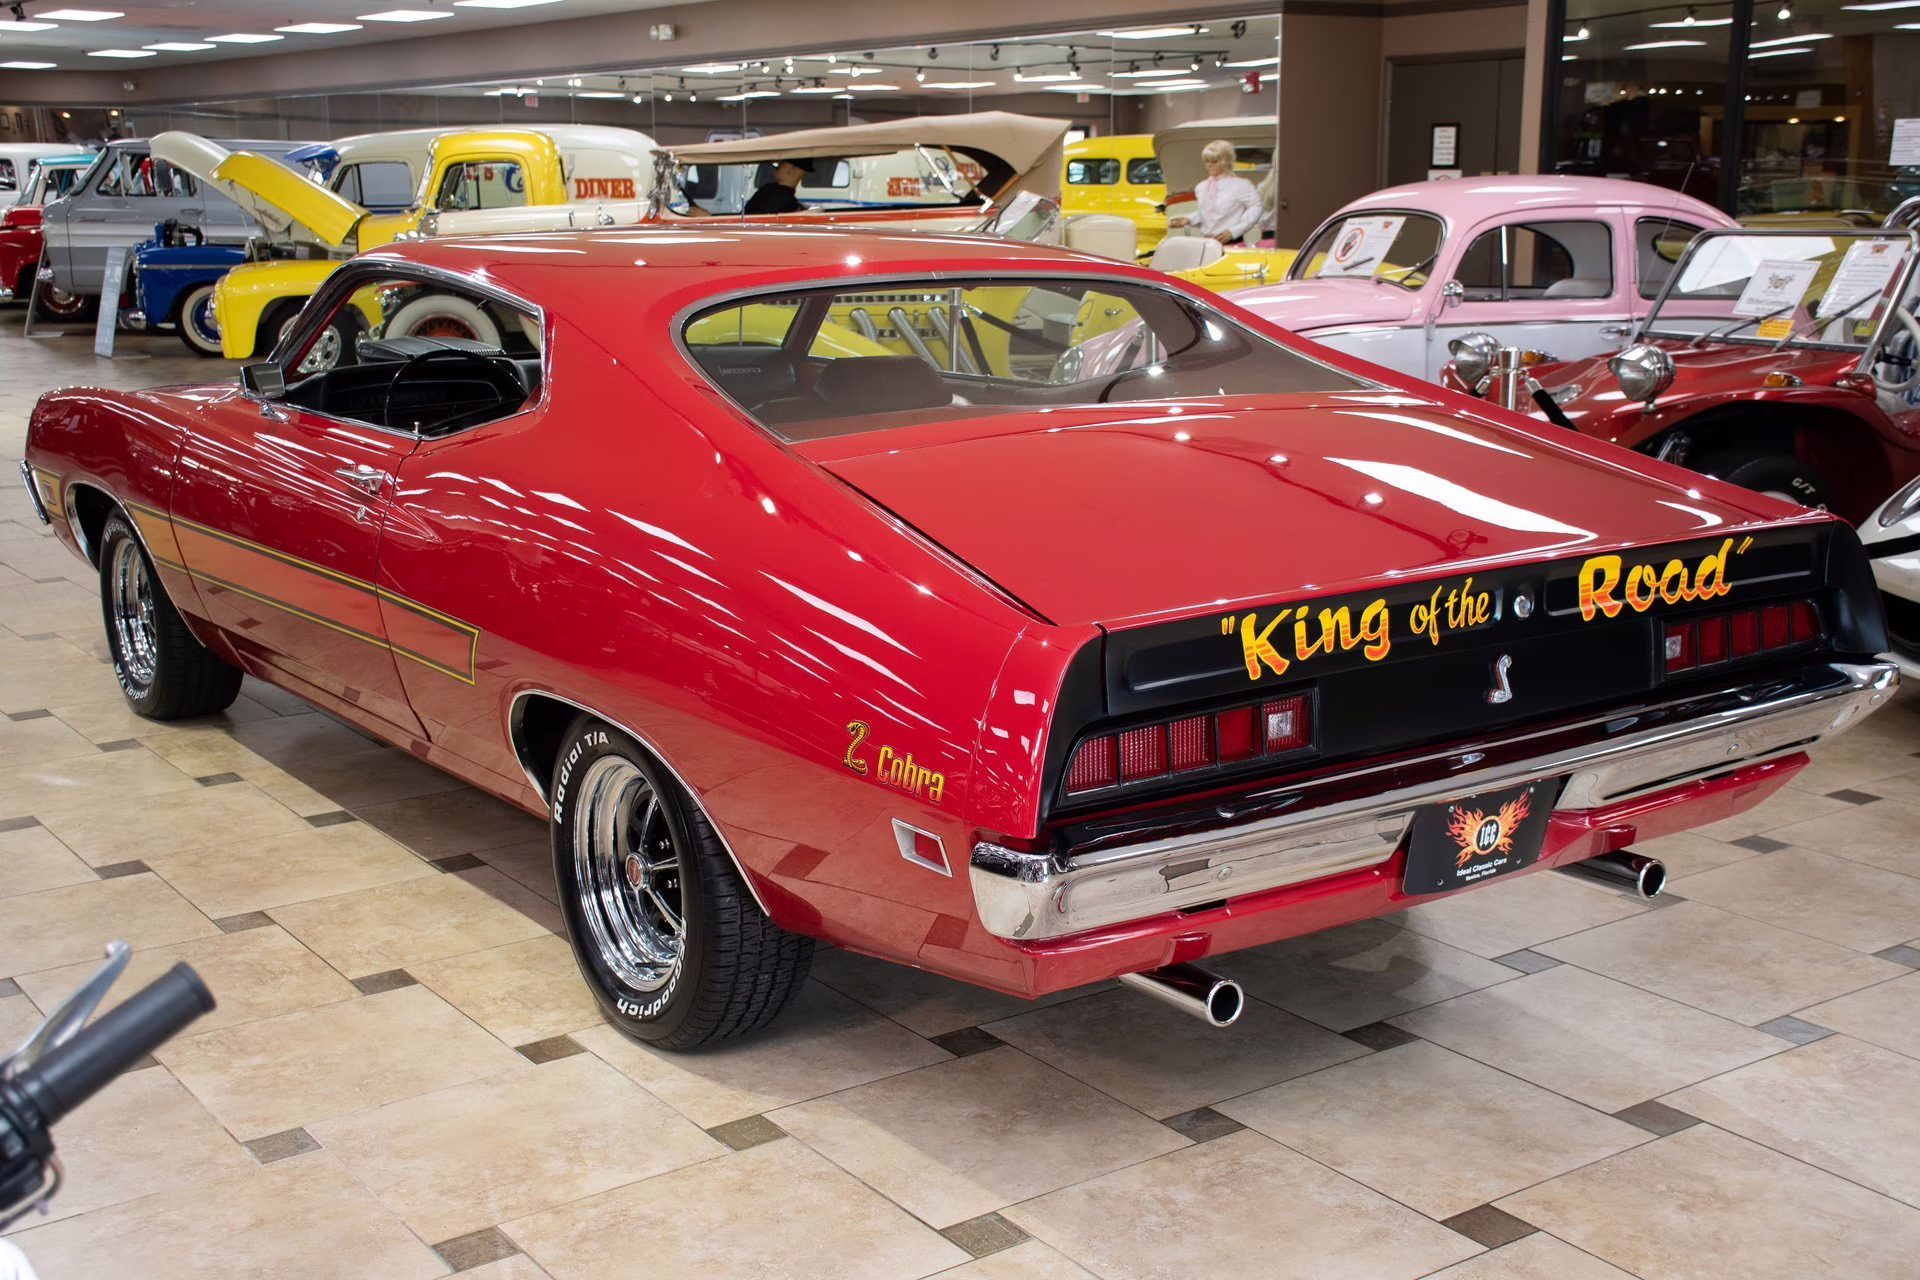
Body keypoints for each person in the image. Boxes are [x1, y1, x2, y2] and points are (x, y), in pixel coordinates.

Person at [1168, 140, 1263, 245]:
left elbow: (1257, 206)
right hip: (1207, 244)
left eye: (1214, 161)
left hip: (1233, 243)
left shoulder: (1241, 186)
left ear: (1226, 161)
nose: (1209, 165)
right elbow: (1210, 213)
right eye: (1206, 161)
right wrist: (1189, 219)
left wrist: (1235, 230)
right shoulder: (1201, 187)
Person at [744, 157, 811, 215]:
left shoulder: (772, 193)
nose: (776, 168)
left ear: (792, 171)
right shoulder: (771, 191)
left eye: (781, 165)